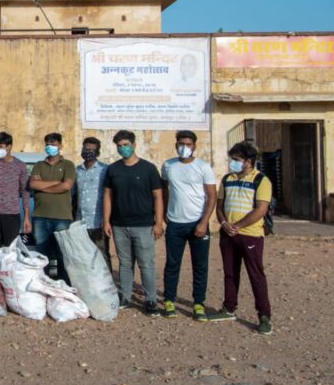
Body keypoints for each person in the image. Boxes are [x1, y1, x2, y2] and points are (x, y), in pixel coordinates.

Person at [209, 142, 273, 335]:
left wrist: (239, 226)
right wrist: (224, 223)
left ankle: (264, 316)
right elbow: (220, 205)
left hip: (250, 234)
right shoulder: (227, 179)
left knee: (256, 275)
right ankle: (229, 308)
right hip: (228, 234)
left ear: (248, 161)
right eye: (232, 159)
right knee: (230, 272)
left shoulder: (261, 180)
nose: (233, 163)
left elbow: (261, 209)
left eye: (237, 160)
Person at [102, 130, 163, 316]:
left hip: (144, 225)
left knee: (146, 264)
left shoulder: (148, 168)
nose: (123, 149)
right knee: (125, 264)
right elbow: (107, 196)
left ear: (134, 145)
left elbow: (158, 197)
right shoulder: (113, 169)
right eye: (119, 146)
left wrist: (158, 222)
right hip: (119, 225)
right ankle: (125, 296)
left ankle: (150, 299)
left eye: (126, 145)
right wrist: (106, 221)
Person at [160, 130, 217, 321]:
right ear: (176, 145)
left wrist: (203, 222)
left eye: (188, 144)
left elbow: (212, 196)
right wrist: (166, 214)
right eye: (181, 143)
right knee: (172, 264)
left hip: (197, 224)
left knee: (200, 265)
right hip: (175, 223)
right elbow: (164, 189)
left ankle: (198, 303)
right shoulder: (168, 165)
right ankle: (169, 299)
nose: (184, 147)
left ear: (195, 146)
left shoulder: (203, 167)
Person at [30, 132, 76, 282]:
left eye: (54, 144)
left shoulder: (68, 165)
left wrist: (43, 187)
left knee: (63, 254)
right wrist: (57, 183)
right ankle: (44, 284)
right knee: (42, 255)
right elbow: (33, 184)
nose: (51, 147)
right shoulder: (38, 165)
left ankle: (65, 285)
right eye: (48, 144)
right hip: (40, 217)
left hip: (61, 217)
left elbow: (67, 185)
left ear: (61, 146)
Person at [72, 136, 110, 270]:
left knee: (101, 255)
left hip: (98, 221)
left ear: (97, 153)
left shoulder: (105, 170)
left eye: (91, 150)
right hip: (80, 221)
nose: (87, 152)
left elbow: (110, 195)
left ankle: (107, 287)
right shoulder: (77, 170)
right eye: (85, 149)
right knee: (82, 256)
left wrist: (107, 220)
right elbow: (73, 194)